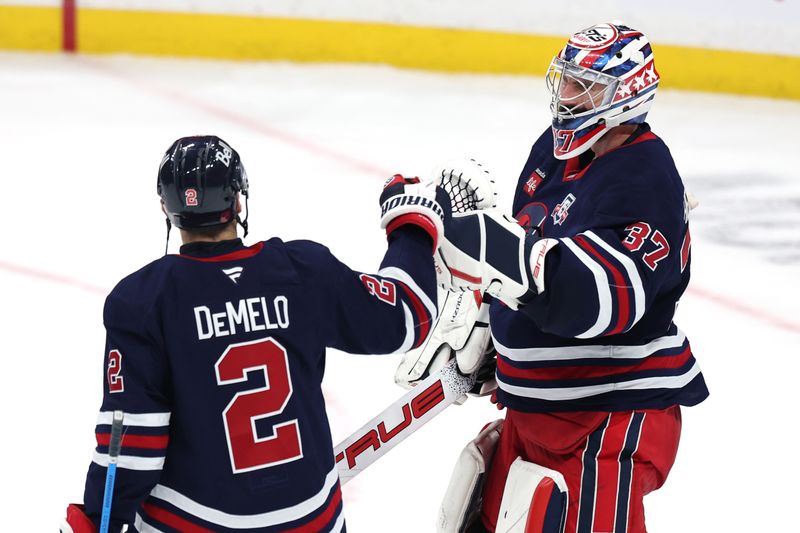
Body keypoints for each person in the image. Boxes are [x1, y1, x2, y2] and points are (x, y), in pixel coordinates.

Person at [60, 135, 449, 533]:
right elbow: (405, 317)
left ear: (166, 208)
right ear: (239, 200)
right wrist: (411, 227)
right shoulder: (303, 270)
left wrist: (94, 523)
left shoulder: (143, 300)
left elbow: (131, 448)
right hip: (310, 521)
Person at [426, 22, 709, 533]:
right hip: (540, 406)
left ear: (626, 93)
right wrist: (494, 333)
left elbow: (600, 300)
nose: (568, 96)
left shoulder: (645, 176)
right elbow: (530, 261)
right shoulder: (553, 154)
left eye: (585, 86)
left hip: (607, 417)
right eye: (566, 81)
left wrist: (492, 247)